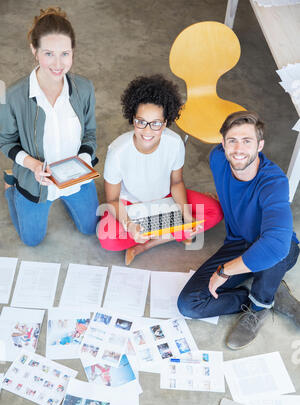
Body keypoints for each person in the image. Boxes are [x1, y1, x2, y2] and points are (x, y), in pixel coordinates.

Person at [177, 111, 300, 349]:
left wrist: (225, 272)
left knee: (275, 250)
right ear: (222, 144)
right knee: (189, 305)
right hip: (238, 243)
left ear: (260, 145)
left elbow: (276, 243)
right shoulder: (218, 158)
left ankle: (259, 306)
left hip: (282, 250)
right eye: (232, 140)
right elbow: (235, 194)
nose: (238, 148)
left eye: (247, 141)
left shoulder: (274, 182)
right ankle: (268, 293)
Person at [97, 74, 223, 264]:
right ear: (133, 119)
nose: (147, 131)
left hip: (166, 198)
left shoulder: (174, 143)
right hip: (132, 205)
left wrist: (187, 216)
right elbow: (113, 199)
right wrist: (129, 225)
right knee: (107, 238)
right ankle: (172, 231)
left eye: (156, 123)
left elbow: (177, 182)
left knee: (215, 212)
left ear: (165, 122)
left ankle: (146, 245)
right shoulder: (117, 151)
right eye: (141, 122)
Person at [0, 7, 99, 246]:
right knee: (31, 240)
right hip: (36, 179)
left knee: (91, 229)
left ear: (73, 52)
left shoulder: (84, 89)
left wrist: (84, 160)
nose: (58, 64)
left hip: (74, 176)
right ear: (34, 51)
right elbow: (6, 141)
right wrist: (32, 165)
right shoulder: (12, 96)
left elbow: (90, 133)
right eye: (48, 53)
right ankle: (11, 184)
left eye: (65, 53)